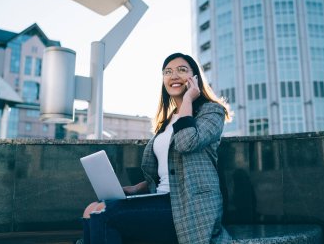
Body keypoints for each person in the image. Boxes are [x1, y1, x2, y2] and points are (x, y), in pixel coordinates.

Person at [80, 53, 233, 244]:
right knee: (91, 210)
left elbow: (186, 143)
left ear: (195, 78)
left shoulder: (211, 111)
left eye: (182, 70)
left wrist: (187, 100)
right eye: (168, 72)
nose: (174, 75)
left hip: (190, 207)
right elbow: (167, 172)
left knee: (104, 214)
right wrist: (136, 188)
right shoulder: (167, 122)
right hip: (161, 200)